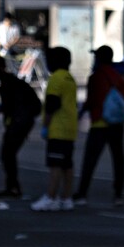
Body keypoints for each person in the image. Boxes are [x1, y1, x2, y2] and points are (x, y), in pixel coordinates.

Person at [75, 46, 124, 205]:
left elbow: (91, 100)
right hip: (116, 124)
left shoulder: (95, 77)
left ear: (99, 58)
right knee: (118, 158)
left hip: (100, 122)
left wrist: (81, 113)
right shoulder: (118, 76)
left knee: (90, 160)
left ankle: (82, 193)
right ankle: (118, 194)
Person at [30, 46, 78, 211]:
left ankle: (51, 197)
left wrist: (45, 126)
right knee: (67, 165)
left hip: (58, 129)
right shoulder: (70, 78)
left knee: (55, 165)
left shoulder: (56, 79)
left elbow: (52, 104)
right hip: (70, 129)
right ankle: (66, 198)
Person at [0, 55, 40, 199]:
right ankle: (13, 186)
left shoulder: (7, 83)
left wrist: (0, 110)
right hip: (19, 122)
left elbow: (10, 106)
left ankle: (13, 187)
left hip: (19, 123)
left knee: (7, 154)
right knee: (8, 154)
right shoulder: (9, 81)